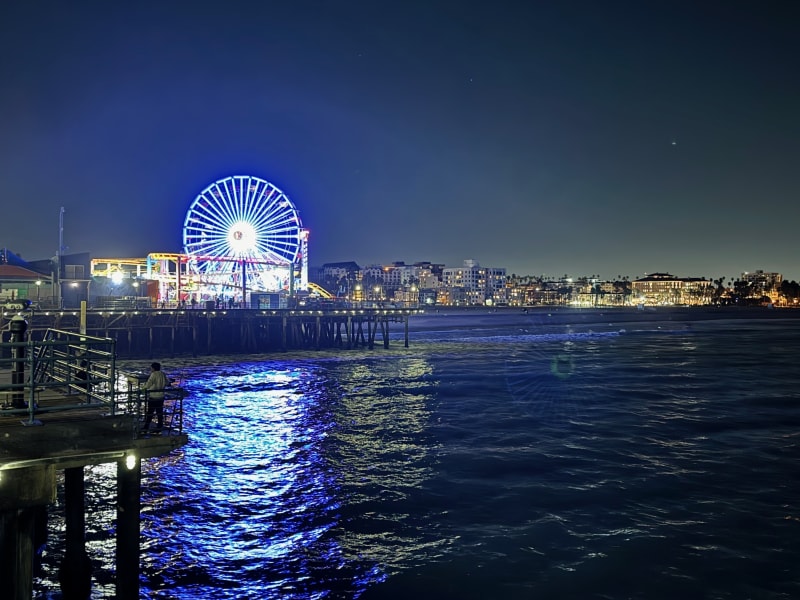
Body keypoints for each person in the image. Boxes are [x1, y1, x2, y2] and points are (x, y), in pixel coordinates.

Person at [143, 362, 169, 432]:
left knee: (150, 412)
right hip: (161, 397)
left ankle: (146, 427)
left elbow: (149, 383)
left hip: (153, 396)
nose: (151, 369)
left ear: (153, 368)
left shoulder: (153, 374)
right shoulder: (163, 374)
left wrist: (143, 388)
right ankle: (159, 426)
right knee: (159, 412)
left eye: (151, 368)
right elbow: (167, 383)